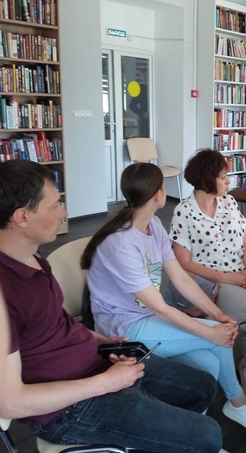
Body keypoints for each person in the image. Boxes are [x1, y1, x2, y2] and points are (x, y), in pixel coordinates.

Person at [0, 160, 224, 452]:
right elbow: (11, 403)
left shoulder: (34, 257)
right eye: (55, 205)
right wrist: (106, 383)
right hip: (65, 410)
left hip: (98, 364)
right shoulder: (6, 291)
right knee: (208, 435)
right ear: (21, 217)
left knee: (203, 386)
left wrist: (100, 341)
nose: (64, 213)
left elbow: (55, 323)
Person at [82, 162, 246, 434]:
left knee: (209, 363)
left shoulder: (154, 225)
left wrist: (218, 314)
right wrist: (212, 330)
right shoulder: (121, 243)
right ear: (159, 194)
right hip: (124, 329)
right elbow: (160, 307)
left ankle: (191, 433)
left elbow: (181, 278)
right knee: (217, 338)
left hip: (147, 316)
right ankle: (238, 402)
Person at [168, 149, 246, 398]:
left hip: (241, 272)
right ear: (207, 180)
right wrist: (227, 278)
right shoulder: (184, 212)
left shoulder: (229, 202)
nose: (228, 181)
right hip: (213, 282)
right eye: (223, 177)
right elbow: (183, 262)